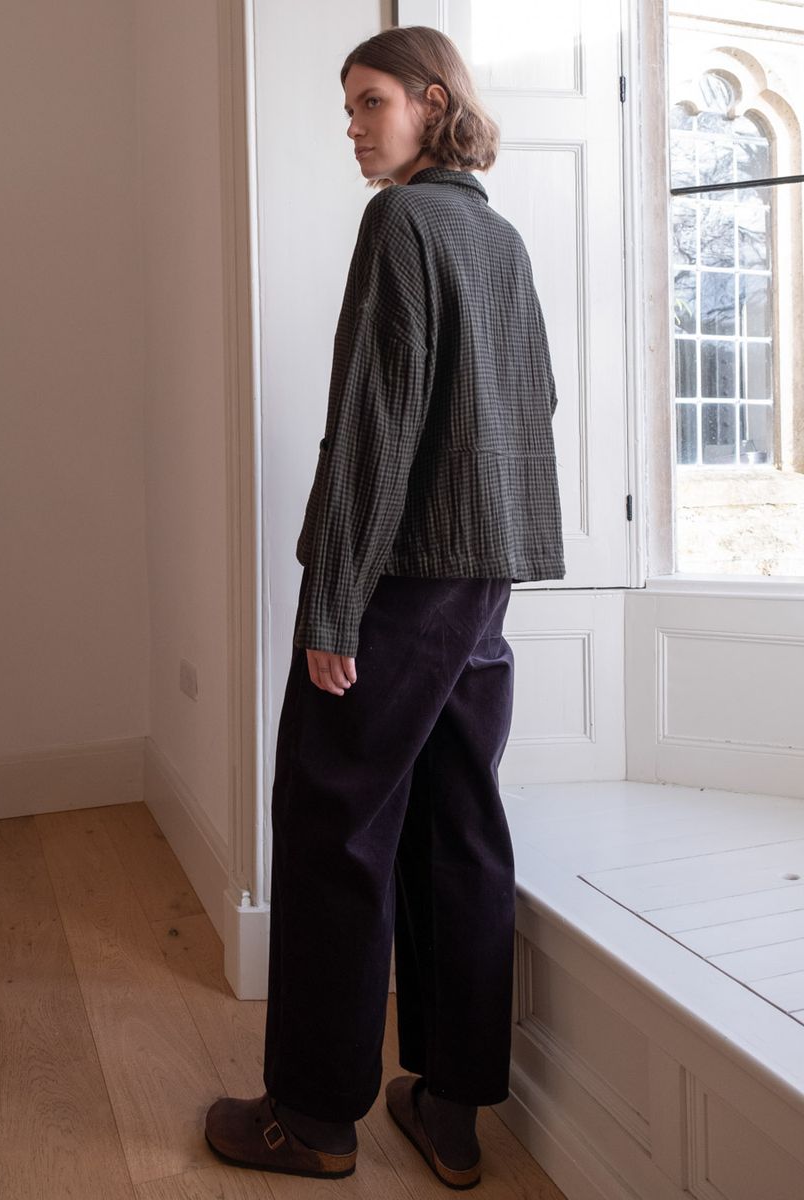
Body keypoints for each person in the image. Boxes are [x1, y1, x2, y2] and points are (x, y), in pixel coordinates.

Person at [204, 24, 565, 1190]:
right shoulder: (500, 238)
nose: (354, 127)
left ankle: (310, 1118)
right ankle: (450, 1107)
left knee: (334, 823)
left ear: (432, 102)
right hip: (480, 579)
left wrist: (335, 605)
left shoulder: (403, 221)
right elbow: (535, 404)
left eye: (372, 102)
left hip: (403, 576)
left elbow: (377, 421)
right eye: (349, 106)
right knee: (458, 816)